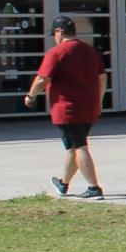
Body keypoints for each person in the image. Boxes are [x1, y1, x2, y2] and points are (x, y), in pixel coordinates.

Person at [24, 14, 106, 199]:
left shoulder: (57, 52)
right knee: (72, 147)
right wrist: (99, 101)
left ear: (60, 32)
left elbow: (42, 79)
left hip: (68, 108)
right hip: (89, 107)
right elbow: (102, 77)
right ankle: (63, 184)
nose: (54, 37)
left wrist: (31, 96)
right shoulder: (90, 51)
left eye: (54, 33)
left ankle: (94, 188)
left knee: (79, 146)